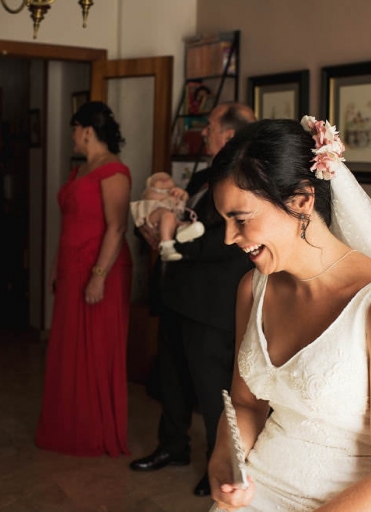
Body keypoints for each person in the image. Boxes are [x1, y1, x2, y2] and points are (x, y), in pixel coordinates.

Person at [207, 117, 371, 510]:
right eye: (224, 220)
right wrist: (223, 462)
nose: (228, 237)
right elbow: (246, 404)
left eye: (241, 219)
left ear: (302, 200)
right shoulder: (253, 289)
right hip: (258, 492)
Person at [129, 103, 256, 497]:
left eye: (210, 128)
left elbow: (224, 241)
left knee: (212, 390)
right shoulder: (205, 175)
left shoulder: (247, 182)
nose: (203, 134)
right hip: (176, 297)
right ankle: (172, 446)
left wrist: (178, 237)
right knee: (172, 380)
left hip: (211, 306)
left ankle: (216, 465)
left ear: (229, 136)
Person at [35, 101, 132, 457]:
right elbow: (70, 225)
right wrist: (56, 266)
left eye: (74, 129)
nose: (72, 137)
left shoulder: (114, 170)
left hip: (99, 270)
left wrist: (98, 277)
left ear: (87, 131)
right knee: (69, 349)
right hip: (73, 268)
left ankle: (93, 430)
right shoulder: (82, 169)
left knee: (94, 349)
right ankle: (70, 424)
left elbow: (117, 226)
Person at [129, 171, 205, 261]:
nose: (164, 180)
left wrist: (183, 196)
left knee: (180, 222)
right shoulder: (151, 193)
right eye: (157, 179)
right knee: (168, 216)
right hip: (158, 218)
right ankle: (167, 246)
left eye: (168, 178)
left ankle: (183, 230)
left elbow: (184, 204)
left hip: (198, 257)